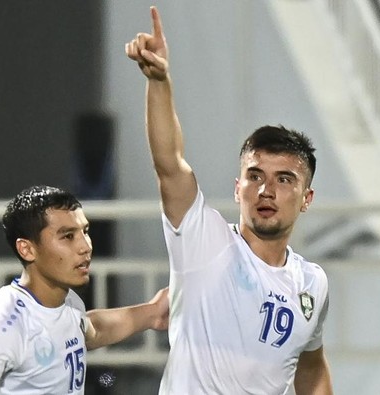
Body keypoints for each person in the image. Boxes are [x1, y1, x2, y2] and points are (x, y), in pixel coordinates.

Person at [125, 6, 332, 395]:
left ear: (307, 198)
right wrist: (159, 81)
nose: (266, 190)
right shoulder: (205, 242)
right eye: (255, 177)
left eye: (284, 179)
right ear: (238, 188)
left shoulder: (312, 283)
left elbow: (312, 367)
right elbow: (170, 163)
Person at [0, 185, 169, 395]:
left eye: (85, 231)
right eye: (68, 236)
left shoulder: (67, 300)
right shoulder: (6, 324)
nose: (85, 246)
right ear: (27, 249)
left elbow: (92, 330)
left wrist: (153, 313)